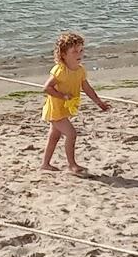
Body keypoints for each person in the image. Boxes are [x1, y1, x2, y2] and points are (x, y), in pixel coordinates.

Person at [40, 31, 110, 175]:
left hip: (65, 108)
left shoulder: (80, 70)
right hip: (56, 109)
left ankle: (45, 164)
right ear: (63, 55)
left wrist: (98, 102)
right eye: (74, 51)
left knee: (54, 136)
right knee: (71, 134)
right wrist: (62, 95)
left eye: (81, 50)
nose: (79, 54)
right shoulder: (60, 71)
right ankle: (72, 165)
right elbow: (46, 88)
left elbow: (87, 88)